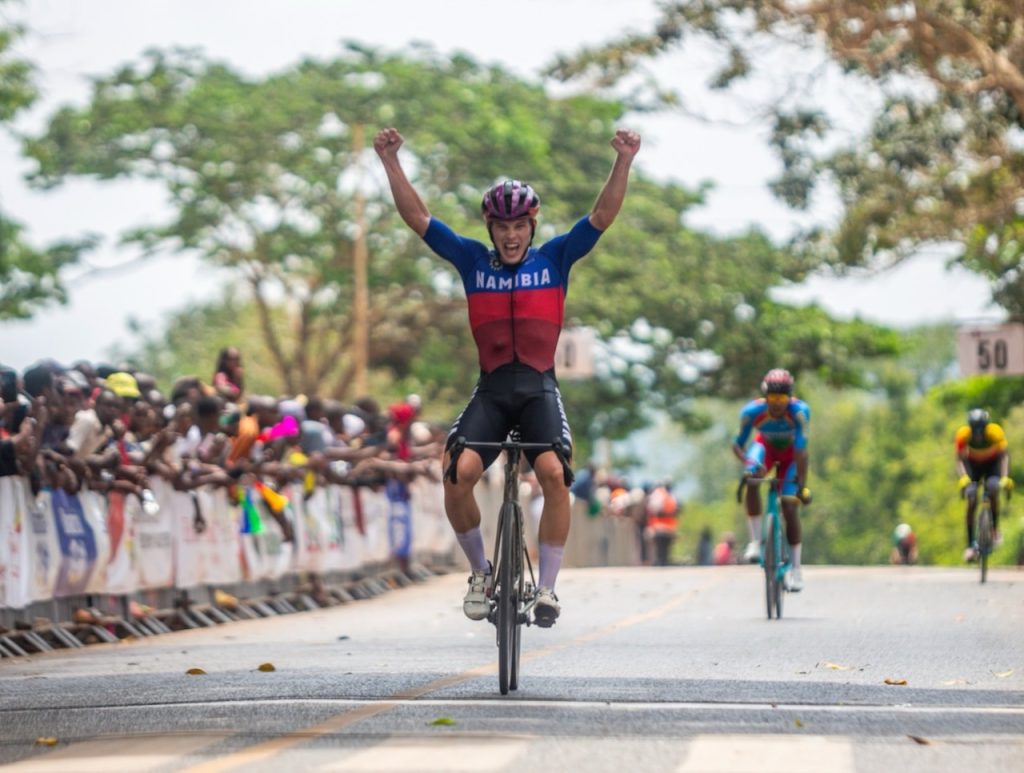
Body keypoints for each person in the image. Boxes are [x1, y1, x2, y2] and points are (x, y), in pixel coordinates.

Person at [374, 124, 641, 626]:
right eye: (501, 227)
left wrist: (623, 160)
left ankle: (548, 590)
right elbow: (420, 219)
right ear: (490, 228)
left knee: (554, 474)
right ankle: (481, 572)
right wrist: (390, 161)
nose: (511, 235)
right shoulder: (473, 260)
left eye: (519, 226)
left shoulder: (556, 257)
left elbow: (601, 216)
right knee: (456, 474)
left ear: (532, 226)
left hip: (539, 389)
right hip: (493, 391)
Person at [732, 368, 811, 591]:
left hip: (791, 457)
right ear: (765, 397)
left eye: (782, 398)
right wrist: (748, 463)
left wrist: (801, 486)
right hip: (764, 449)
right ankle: (755, 542)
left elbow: (801, 452)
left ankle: (796, 570)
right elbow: (738, 444)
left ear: (790, 397)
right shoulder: (751, 411)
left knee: (789, 505)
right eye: (773, 398)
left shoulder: (800, 412)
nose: (777, 404)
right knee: (752, 478)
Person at [955, 408, 1012, 562]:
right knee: (972, 498)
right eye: (975, 430)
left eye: (981, 429)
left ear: (986, 427)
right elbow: (959, 459)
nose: (979, 434)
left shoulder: (995, 432)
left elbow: (1004, 456)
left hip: (992, 465)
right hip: (973, 466)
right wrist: (963, 478)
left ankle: (994, 531)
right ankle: (969, 545)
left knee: (993, 489)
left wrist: (1005, 477)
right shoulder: (963, 434)